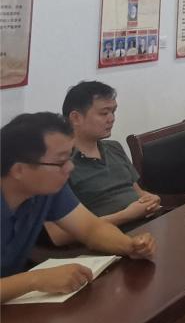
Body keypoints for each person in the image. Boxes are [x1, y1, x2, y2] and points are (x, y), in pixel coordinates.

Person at [1, 113, 156, 303]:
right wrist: (35, 279)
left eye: (70, 157)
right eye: (60, 162)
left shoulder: (47, 189)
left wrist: (129, 246)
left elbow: (91, 228)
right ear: (19, 170)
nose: (70, 168)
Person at [49, 82, 160, 244]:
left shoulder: (114, 147)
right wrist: (126, 215)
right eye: (104, 113)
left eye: (113, 112)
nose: (111, 119)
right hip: (106, 240)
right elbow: (60, 235)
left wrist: (149, 199)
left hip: (146, 225)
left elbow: (138, 192)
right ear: (76, 118)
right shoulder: (61, 164)